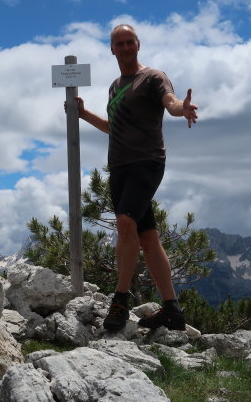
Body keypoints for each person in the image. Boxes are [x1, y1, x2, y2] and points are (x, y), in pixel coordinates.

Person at [72, 24, 198, 331]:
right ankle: (172, 310)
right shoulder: (115, 86)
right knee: (147, 236)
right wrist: (84, 114)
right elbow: (113, 127)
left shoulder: (154, 77)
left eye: (130, 42)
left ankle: (120, 301)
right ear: (112, 49)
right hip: (119, 167)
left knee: (125, 223)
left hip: (147, 162)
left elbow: (170, 102)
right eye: (120, 43)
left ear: (138, 45)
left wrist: (183, 108)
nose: (126, 47)